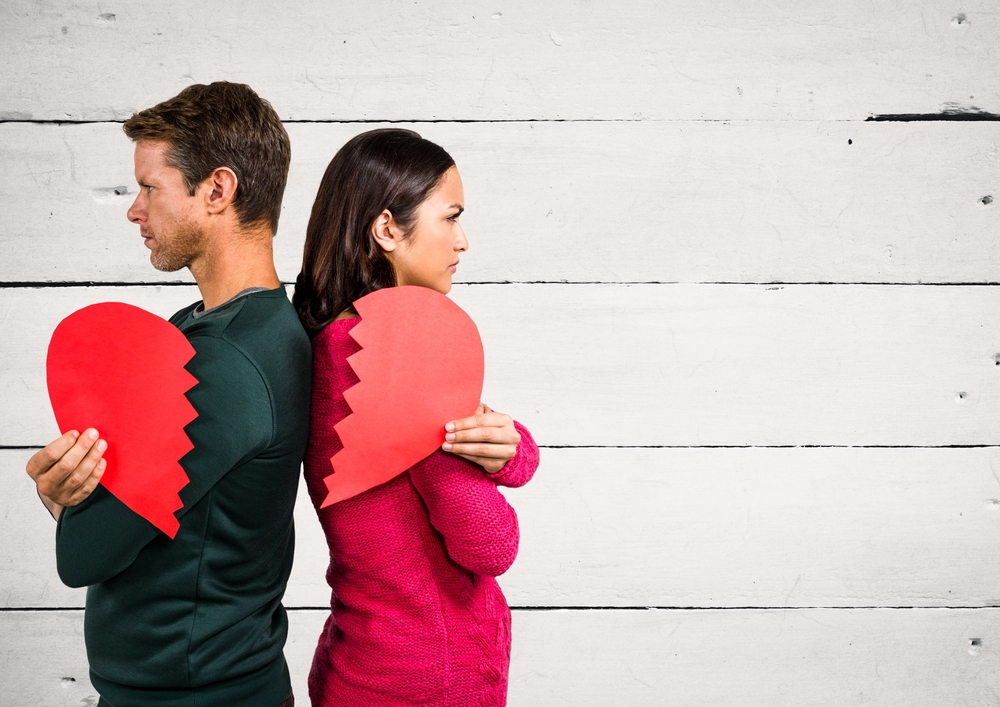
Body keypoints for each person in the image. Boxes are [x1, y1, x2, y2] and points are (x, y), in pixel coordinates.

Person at [25, 82, 310, 707]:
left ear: (217, 190)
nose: (134, 210)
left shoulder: (226, 362)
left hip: (201, 695)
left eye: (149, 188)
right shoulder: (217, 330)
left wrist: (60, 497)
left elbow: (83, 555)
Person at [293, 128, 539, 707]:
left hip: (357, 661)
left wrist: (515, 451)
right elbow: (490, 545)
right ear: (386, 230)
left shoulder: (330, 342)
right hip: (428, 674)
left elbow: (500, 445)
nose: (463, 242)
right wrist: (509, 457)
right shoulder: (401, 355)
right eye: (449, 218)